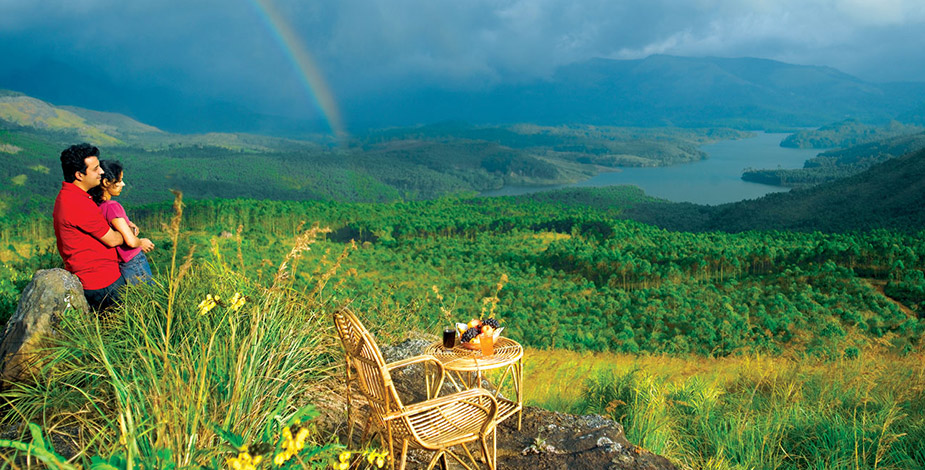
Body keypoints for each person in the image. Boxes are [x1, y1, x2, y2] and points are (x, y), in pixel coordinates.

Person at [53, 143, 126, 310]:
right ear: (79, 175)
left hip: (95, 279)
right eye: (95, 168)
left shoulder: (71, 196)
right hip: (103, 282)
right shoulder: (77, 203)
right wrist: (128, 231)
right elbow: (113, 240)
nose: (101, 171)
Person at [89, 160, 156, 284]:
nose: (123, 184)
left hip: (121, 263)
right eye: (119, 181)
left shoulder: (96, 206)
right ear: (106, 182)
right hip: (134, 261)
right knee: (148, 296)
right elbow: (130, 241)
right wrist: (141, 242)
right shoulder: (112, 206)